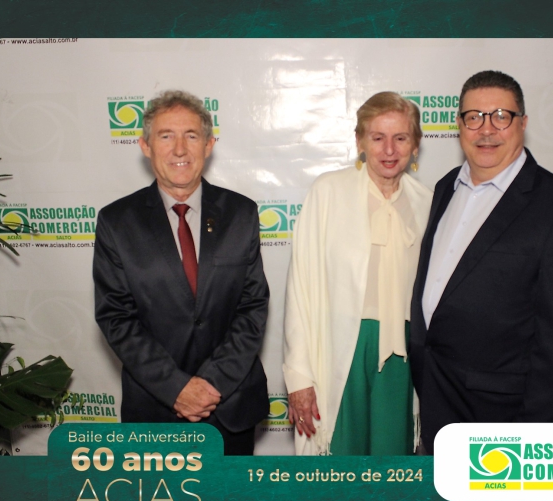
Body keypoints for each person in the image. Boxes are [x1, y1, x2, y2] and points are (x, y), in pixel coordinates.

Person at [410, 71, 553, 454]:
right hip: (434, 402)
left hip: (502, 421)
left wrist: (530, 443)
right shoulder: (445, 187)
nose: (486, 129)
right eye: (474, 117)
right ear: (459, 125)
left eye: (501, 116)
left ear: (523, 123)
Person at [93, 90, 269, 455]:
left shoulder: (242, 213)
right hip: (155, 410)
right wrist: (177, 388)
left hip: (229, 406)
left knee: (231, 494)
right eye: (165, 136)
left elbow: (252, 307)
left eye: (191, 135)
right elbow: (117, 317)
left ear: (209, 145)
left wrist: (211, 384)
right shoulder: (116, 222)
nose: (179, 149)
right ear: (145, 146)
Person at [283, 92, 433, 455]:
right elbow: (300, 287)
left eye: (401, 138)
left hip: (403, 353)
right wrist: (299, 375)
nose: (389, 149)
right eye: (377, 137)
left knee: (392, 463)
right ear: (359, 141)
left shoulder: (427, 201)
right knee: (339, 461)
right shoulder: (328, 192)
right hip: (339, 347)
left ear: (415, 145)